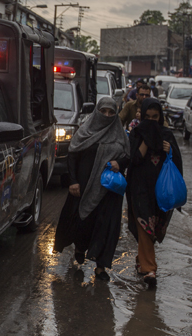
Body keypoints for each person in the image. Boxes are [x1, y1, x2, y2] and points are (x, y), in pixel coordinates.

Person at [54, 97, 130, 281]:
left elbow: (128, 156)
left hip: (108, 191)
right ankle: (80, 247)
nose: (107, 115)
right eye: (103, 111)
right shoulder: (85, 131)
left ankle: (101, 267)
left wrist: (119, 163)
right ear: (97, 112)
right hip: (83, 187)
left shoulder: (119, 134)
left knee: (105, 227)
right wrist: (72, 181)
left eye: (111, 112)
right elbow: (72, 155)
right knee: (82, 222)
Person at [126, 98, 182, 287]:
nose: (151, 121)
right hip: (140, 188)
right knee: (144, 226)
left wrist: (169, 150)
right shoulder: (136, 133)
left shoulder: (167, 135)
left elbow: (177, 162)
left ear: (160, 117)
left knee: (155, 228)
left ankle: (142, 259)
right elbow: (134, 160)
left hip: (161, 190)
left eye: (155, 117)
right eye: (147, 117)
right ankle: (150, 270)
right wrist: (146, 140)